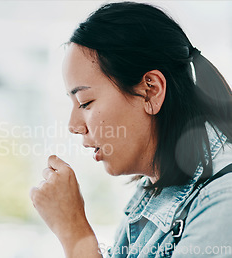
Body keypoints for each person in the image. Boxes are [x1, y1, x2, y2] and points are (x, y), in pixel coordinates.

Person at [29, 2, 232, 257]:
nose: (74, 126)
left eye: (85, 103)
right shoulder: (151, 194)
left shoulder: (223, 201)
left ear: (151, 90)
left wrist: (75, 235)